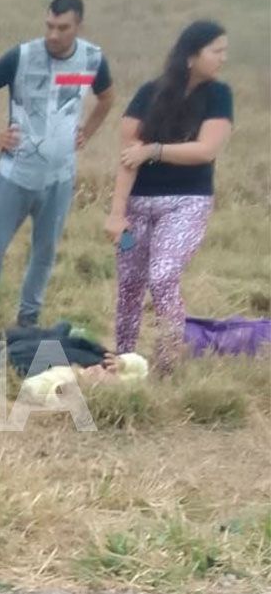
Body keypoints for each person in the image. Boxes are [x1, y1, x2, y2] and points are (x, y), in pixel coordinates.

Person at [0, 0, 116, 329]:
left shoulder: (92, 59)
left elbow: (107, 97)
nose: (53, 35)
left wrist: (86, 132)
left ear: (78, 26)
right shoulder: (21, 56)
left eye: (62, 28)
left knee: (45, 251)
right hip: (16, 173)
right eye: (49, 26)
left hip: (60, 176)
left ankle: (28, 317)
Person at [104, 20, 232, 376]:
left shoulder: (219, 95)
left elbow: (206, 150)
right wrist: (117, 213)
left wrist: (155, 151)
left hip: (186, 202)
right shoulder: (149, 93)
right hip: (137, 205)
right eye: (216, 50)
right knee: (129, 285)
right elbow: (128, 156)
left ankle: (167, 363)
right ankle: (124, 362)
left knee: (162, 276)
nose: (224, 58)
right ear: (191, 56)